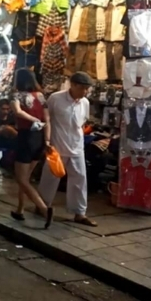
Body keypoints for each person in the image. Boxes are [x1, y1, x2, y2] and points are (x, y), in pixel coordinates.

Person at [38, 72, 97, 226]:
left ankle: (79, 213)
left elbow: (82, 124)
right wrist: (47, 141)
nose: (85, 92)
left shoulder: (85, 103)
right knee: (50, 177)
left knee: (79, 179)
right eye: (82, 88)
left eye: (87, 89)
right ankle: (42, 205)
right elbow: (47, 120)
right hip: (57, 146)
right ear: (73, 85)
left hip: (77, 146)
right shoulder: (56, 98)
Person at [9, 69, 52, 226]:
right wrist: (47, 140)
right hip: (39, 138)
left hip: (25, 137)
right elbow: (47, 119)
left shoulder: (16, 95)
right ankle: (20, 210)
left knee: (21, 178)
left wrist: (33, 119)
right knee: (26, 178)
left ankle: (43, 208)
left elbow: (18, 112)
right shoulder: (40, 96)